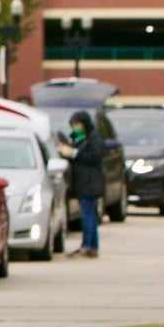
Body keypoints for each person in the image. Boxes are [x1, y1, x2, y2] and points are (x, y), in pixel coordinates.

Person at [64, 110, 107, 258]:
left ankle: (86, 245)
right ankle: (93, 246)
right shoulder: (80, 138)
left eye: (77, 124)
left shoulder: (94, 138)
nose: (75, 127)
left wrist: (73, 153)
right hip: (82, 182)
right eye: (73, 125)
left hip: (90, 183)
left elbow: (93, 157)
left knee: (87, 214)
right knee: (90, 214)